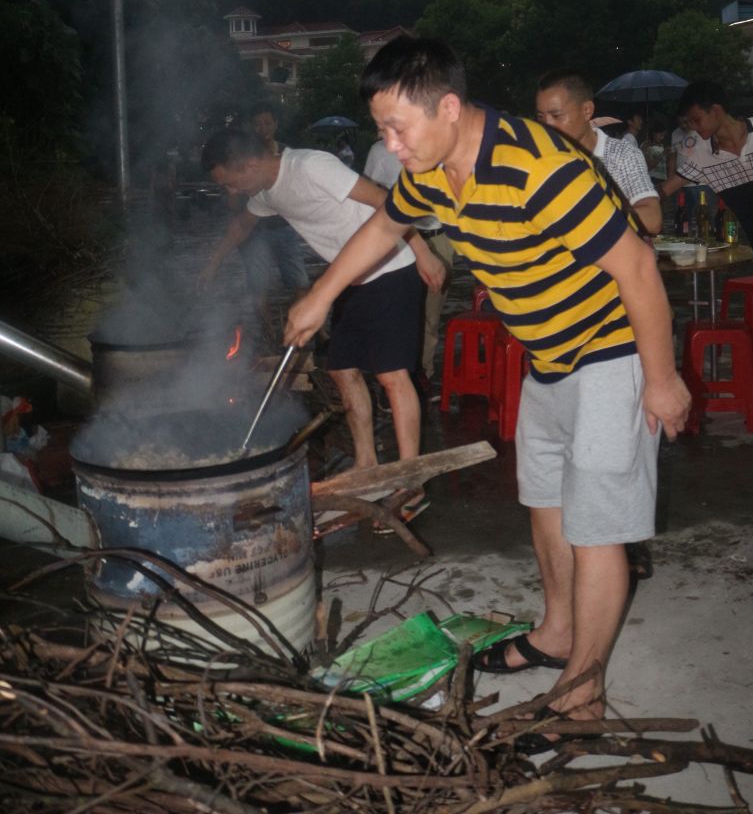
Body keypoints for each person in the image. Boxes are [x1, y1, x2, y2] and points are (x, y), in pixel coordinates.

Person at [285, 38, 689, 747]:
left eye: (397, 129)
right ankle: (557, 634)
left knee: (597, 528)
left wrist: (661, 381)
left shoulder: (539, 168)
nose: (390, 146)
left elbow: (638, 268)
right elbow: (386, 224)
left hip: (610, 350)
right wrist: (321, 295)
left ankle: (582, 695)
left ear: (447, 107)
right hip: (546, 359)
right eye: (382, 130)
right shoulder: (435, 172)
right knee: (547, 503)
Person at [198, 127, 445, 521]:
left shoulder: (312, 167)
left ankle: (410, 482)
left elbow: (388, 201)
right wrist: (211, 265)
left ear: (249, 164)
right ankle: (366, 463)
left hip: (393, 269)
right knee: (342, 369)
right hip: (349, 279)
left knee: (392, 375)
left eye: (230, 182)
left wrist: (423, 251)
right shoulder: (265, 193)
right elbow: (242, 225)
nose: (231, 192)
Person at [662, 80, 753, 424]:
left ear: (716, 110)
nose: (694, 128)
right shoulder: (701, 154)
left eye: (697, 119)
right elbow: (669, 187)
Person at [364, 137, 454, 397]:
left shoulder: (440, 142)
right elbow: (368, 195)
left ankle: (423, 373)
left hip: (438, 237)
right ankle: (392, 376)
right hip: (397, 242)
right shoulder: (380, 150)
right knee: (394, 311)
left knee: (431, 314)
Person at [535, 71, 662, 236]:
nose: (547, 126)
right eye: (541, 118)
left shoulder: (620, 154)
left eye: (556, 115)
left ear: (587, 110)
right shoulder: (539, 160)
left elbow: (652, 219)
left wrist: (583, 216)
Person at [233, 103, 310, 340]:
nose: (263, 128)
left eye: (267, 123)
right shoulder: (244, 156)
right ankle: (268, 332)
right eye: (257, 124)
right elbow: (234, 193)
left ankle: (297, 324)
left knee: (300, 280)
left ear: (276, 124)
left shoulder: (287, 153)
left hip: (283, 227)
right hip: (254, 230)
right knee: (258, 285)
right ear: (251, 127)